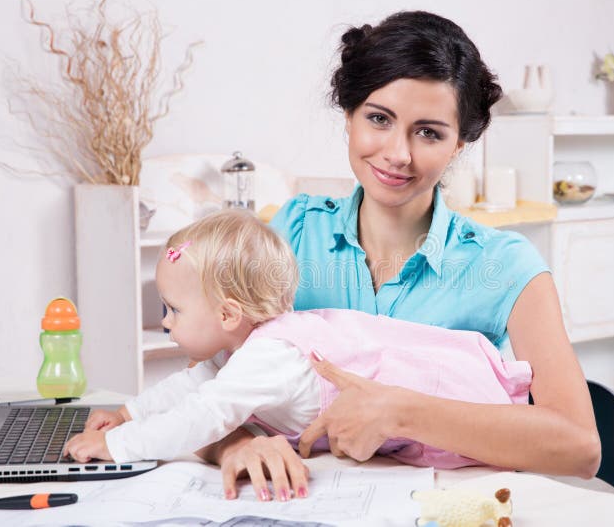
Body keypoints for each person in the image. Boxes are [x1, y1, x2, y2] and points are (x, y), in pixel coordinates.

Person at [203, 10, 601, 501]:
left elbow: (580, 446)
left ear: (460, 143)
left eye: (429, 132)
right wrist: (234, 442)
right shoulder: (291, 235)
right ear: (348, 116)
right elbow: (211, 382)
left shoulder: (508, 266)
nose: (398, 154)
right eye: (378, 119)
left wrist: (400, 411)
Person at [63, 209, 535, 500]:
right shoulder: (241, 348)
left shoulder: (268, 355)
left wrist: (116, 447)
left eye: (175, 310)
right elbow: (189, 386)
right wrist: (128, 413)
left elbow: (203, 414)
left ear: (228, 314)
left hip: (446, 408)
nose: (166, 323)